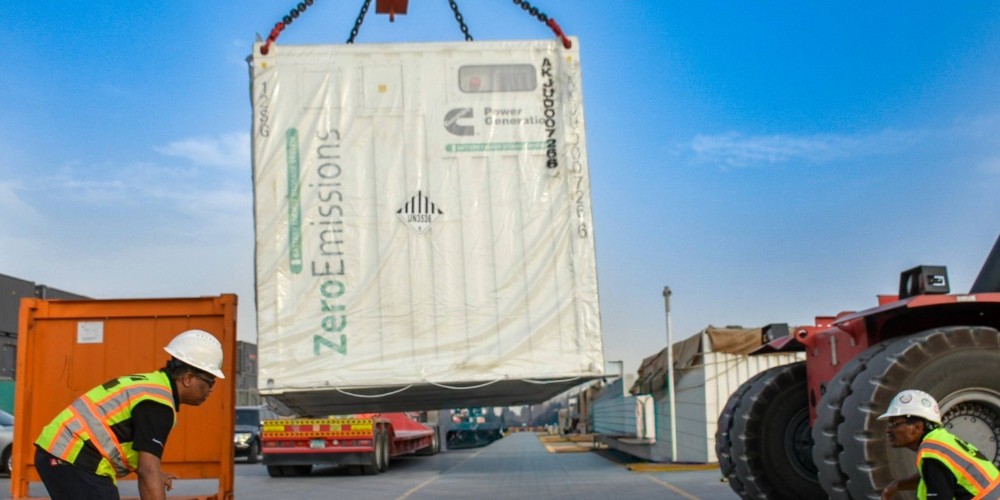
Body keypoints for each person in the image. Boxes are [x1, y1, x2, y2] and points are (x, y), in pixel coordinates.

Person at [34, 329, 225, 500]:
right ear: (188, 378)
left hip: (63, 454)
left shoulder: (153, 388)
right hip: (72, 457)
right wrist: (153, 478)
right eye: (210, 381)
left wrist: (156, 476)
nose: (210, 390)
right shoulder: (158, 404)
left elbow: (125, 441)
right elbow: (147, 470)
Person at [879, 389, 1000, 500]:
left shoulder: (932, 455)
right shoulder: (939, 443)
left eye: (894, 424)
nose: (888, 430)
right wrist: (899, 485)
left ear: (917, 427)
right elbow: (939, 476)